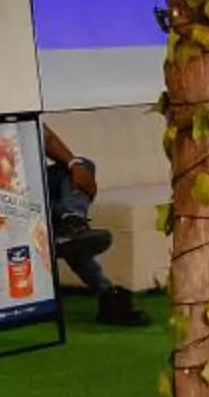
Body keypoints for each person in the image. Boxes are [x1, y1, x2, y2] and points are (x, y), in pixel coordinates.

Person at [41, 124, 145, 326]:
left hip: (35, 183)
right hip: (3, 190)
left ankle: (72, 222)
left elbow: (45, 135)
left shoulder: (17, 103)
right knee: (70, 232)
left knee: (82, 166)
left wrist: (73, 164)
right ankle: (71, 224)